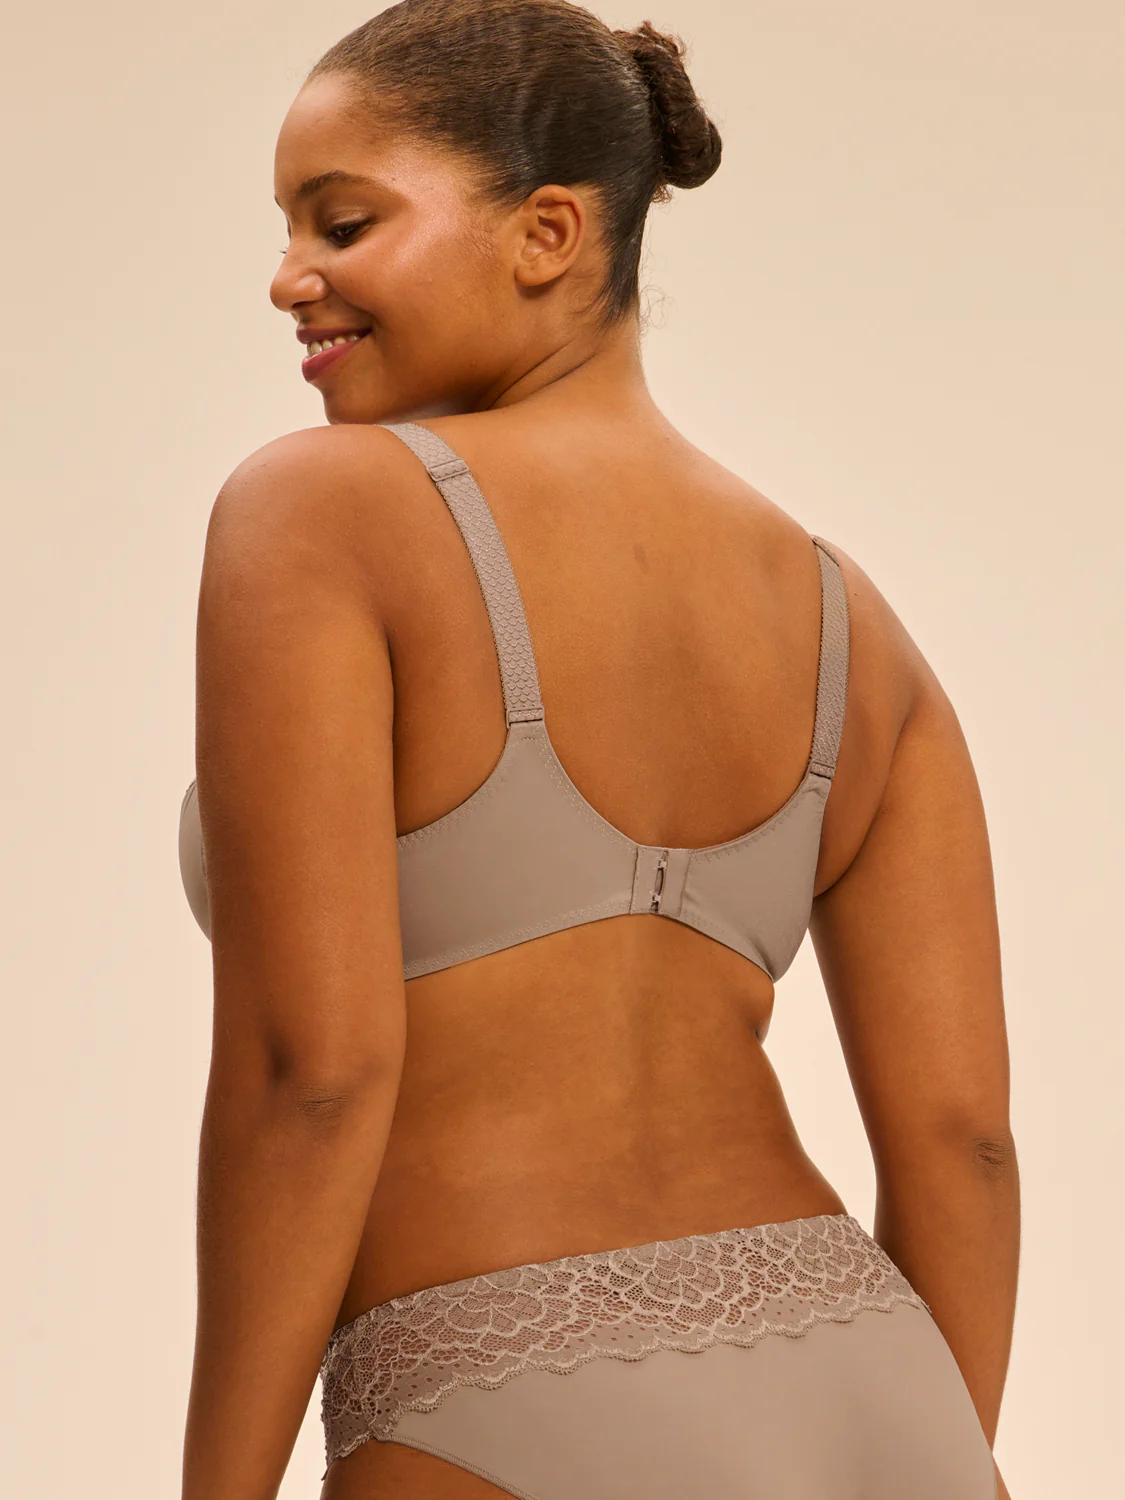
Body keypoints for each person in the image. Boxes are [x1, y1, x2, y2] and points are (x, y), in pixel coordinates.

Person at [177, 2, 1018, 1496]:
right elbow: (964, 1145)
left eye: (344, 222)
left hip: (491, 1379)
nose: (288, 276)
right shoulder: (849, 620)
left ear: (549, 232)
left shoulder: (322, 513)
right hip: (874, 1385)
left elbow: (314, 1078)